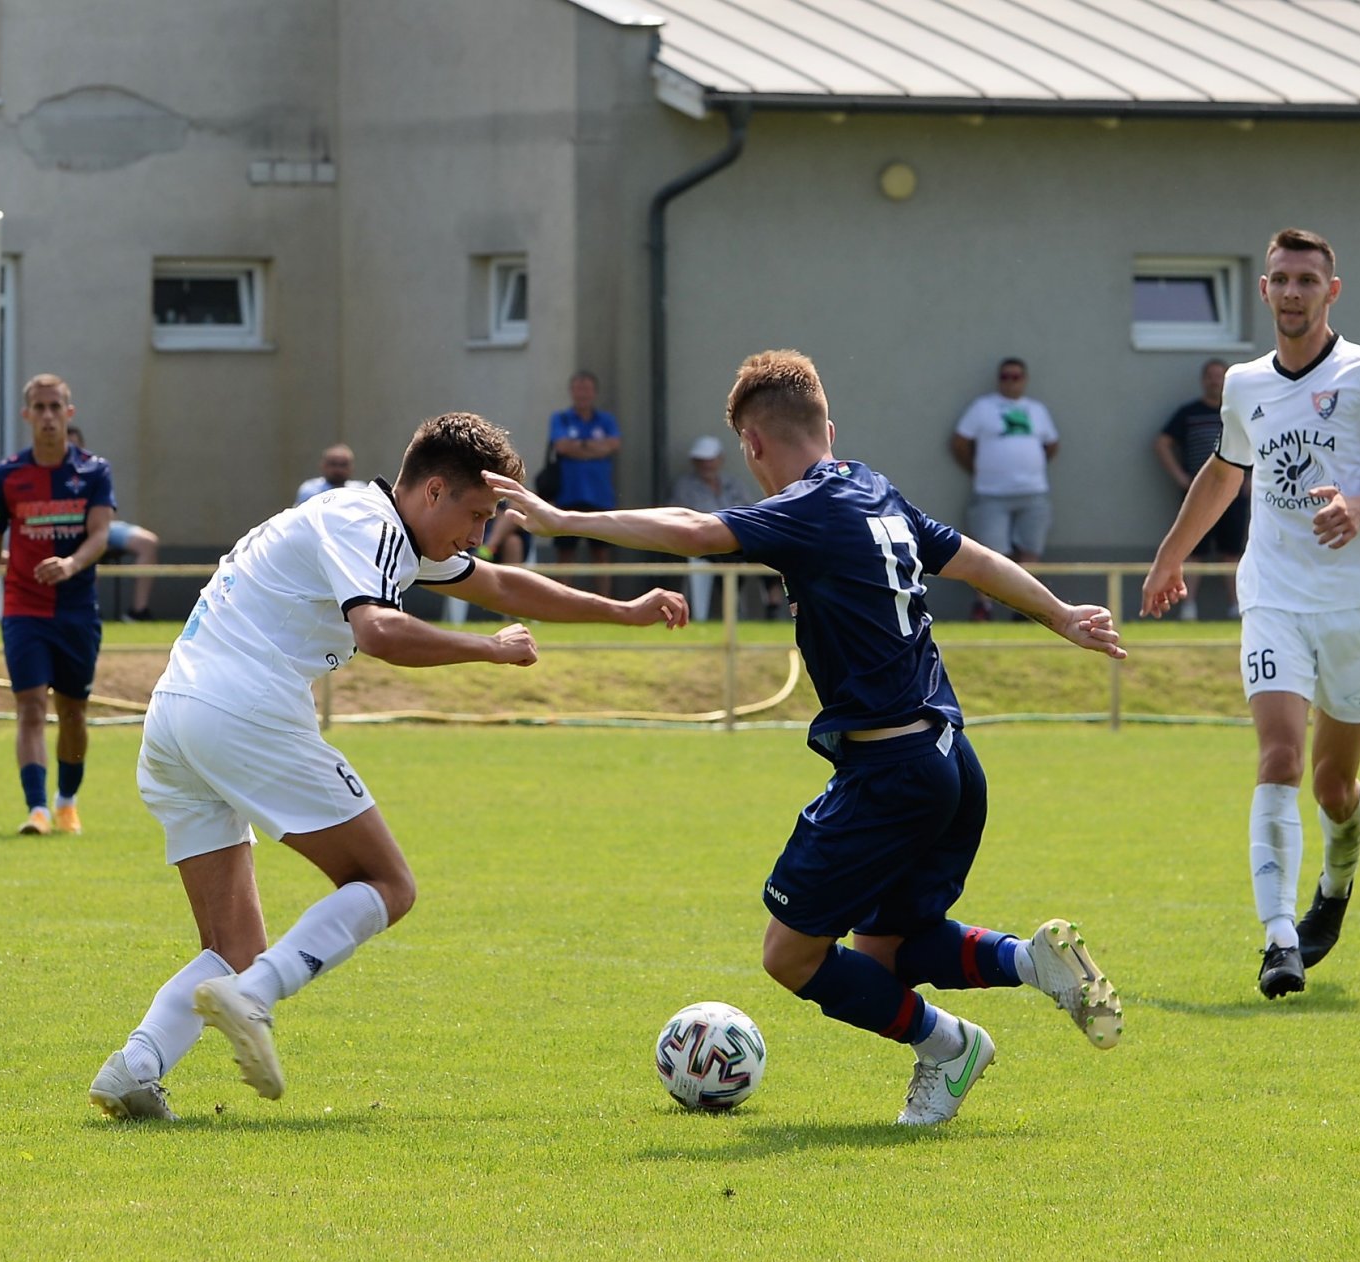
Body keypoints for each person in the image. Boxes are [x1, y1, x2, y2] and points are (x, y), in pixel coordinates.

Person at [490, 350, 1127, 1127]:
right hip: (951, 759)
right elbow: (974, 558)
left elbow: (696, 528)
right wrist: (1062, 613)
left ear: (753, 445)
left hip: (889, 769)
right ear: (829, 427)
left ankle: (950, 1046)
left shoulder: (805, 508)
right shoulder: (875, 489)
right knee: (885, 950)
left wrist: (564, 519)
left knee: (790, 955)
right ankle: (1032, 961)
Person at [88, 412, 689, 1121]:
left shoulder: (377, 528)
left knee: (234, 944)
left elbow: (502, 586)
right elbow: (378, 631)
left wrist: (625, 611)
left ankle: (135, 1067)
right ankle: (255, 995)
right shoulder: (364, 523)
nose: (480, 534)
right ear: (433, 491)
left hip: (175, 717)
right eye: (476, 514)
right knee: (387, 883)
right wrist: (489, 650)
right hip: (240, 709)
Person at [1140, 228, 1360, 1001]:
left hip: (1357, 605)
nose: (1293, 291)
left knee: (1334, 786)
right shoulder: (1244, 384)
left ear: (1332, 291)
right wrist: (1170, 556)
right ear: (1264, 289)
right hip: (1272, 596)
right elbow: (1224, 471)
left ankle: (1335, 886)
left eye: (1307, 279)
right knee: (1279, 758)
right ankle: (1278, 940)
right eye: (1281, 279)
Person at [0, 375, 117, 837]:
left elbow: (100, 535)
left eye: (55, 407)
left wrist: (71, 565)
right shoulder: (6, 476)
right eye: (40, 407)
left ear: (69, 413)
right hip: (23, 609)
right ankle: (36, 810)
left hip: (76, 612)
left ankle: (66, 802)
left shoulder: (94, 472)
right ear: (27, 414)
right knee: (30, 707)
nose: (48, 416)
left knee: (73, 713)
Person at [951, 357, 1059, 620]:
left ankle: (1027, 610)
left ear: (1025, 379)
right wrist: (979, 469)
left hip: (1033, 492)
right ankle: (984, 607)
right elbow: (960, 442)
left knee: (1030, 551)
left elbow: (1052, 444)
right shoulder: (982, 407)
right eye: (1005, 377)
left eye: (1016, 377)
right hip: (991, 494)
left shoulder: (1037, 410)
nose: (1011, 382)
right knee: (989, 554)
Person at [1153, 358, 1248, 619]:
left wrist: (1251, 480)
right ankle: (1188, 608)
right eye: (1210, 376)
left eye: (1220, 376)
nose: (1215, 381)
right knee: (1194, 550)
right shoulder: (1188, 413)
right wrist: (1180, 477)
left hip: (1235, 495)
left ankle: (1236, 607)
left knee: (1231, 552)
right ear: (1203, 380)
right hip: (1199, 494)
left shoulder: (1237, 412)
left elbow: (1259, 446)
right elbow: (1162, 443)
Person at [669, 434, 782, 621]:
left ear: (719, 459)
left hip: (739, 539)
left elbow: (752, 511)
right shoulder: (684, 487)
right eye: (701, 460)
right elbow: (680, 520)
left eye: (709, 460)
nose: (706, 465)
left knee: (771, 554)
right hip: (706, 544)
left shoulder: (733, 484)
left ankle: (773, 607)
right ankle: (731, 611)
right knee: (727, 559)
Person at [68, 425, 162, 621]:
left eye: (76, 446)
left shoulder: (95, 469)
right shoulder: (53, 475)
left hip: (104, 526)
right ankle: (91, 610)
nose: (73, 451)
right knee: (87, 545)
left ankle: (138, 612)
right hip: (73, 530)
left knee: (148, 542)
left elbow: (108, 510)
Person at [548, 371, 622, 597]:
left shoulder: (606, 420)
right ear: (572, 392)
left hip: (600, 495)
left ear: (595, 393)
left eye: (587, 389)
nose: (583, 394)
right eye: (578, 389)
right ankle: (561, 602)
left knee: (601, 554)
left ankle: (606, 603)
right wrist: (594, 448)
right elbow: (561, 446)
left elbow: (613, 445)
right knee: (566, 553)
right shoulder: (561, 418)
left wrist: (578, 447)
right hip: (568, 494)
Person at [295, 444, 360, 505]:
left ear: (352, 467)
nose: (338, 469)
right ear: (323, 465)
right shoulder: (310, 490)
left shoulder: (359, 490)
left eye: (343, 465)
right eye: (333, 464)